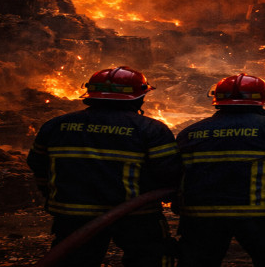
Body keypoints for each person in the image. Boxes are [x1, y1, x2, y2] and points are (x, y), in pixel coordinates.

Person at [27, 66, 182, 267]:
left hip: (72, 214)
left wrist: (53, 196)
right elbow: (169, 173)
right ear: (139, 97)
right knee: (151, 259)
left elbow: (38, 165)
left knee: (72, 261)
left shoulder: (55, 125)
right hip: (135, 216)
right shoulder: (150, 129)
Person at [175, 73, 265, 267]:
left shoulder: (190, 132)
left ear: (217, 99)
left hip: (201, 216)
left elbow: (172, 172)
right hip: (263, 217)